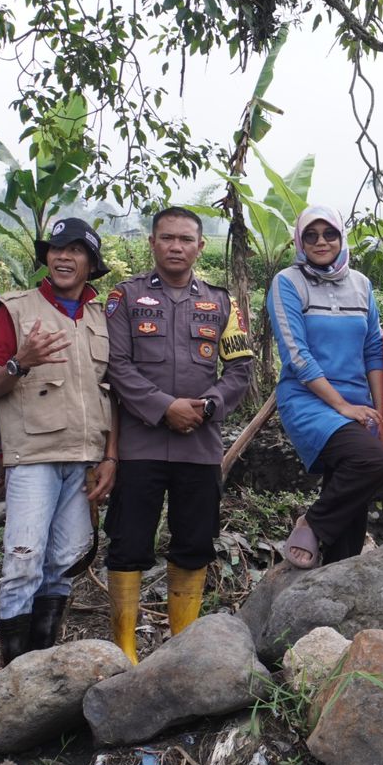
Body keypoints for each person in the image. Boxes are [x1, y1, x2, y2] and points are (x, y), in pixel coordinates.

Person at [104, 207, 254, 662]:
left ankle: (181, 646)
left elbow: (241, 368)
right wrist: (163, 407)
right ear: (152, 242)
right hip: (139, 444)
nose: (175, 246)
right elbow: (117, 365)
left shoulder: (221, 303)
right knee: (129, 543)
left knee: (194, 542)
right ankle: (124, 648)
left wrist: (207, 407)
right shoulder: (124, 298)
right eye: (167, 238)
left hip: (199, 446)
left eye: (185, 239)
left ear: (199, 246)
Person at [0, 217, 118, 664]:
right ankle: (12, 671)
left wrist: (110, 456)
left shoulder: (102, 317)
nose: (64, 257)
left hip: (84, 460)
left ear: (91, 264)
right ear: (47, 258)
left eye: (76, 250)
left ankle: (39, 664)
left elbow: (112, 392)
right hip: (33, 457)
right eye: (57, 249)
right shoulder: (15, 309)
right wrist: (21, 362)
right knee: (23, 560)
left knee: (62, 562)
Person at [269, 205, 383, 568]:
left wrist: (378, 412)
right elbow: (296, 354)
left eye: (329, 234)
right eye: (311, 235)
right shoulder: (288, 282)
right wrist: (341, 406)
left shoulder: (361, 284)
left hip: (357, 402)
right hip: (308, 400)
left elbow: (373, 348)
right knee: (372, 460)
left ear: (342, 238)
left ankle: (339, 570)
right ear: (300, 241)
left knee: (350, 481)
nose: (321, 242)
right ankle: (313, 523)